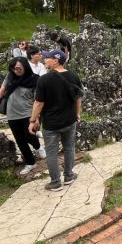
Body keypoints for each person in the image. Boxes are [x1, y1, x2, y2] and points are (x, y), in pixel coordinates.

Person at [28, 49, 83, 191]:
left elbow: (39, 103)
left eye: (47, 58)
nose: (45, 60)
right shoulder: (73, 76)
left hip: (51, 124)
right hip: (70, 120)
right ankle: (69, 175)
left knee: (51, 152)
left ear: (56, 60)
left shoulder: (44, 79)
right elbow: (78, 98)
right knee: (69, 147)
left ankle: (55, 182)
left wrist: (33, 121)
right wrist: (78, 114)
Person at [0, 58, 45, 175]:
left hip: (28, 113)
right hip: (12, 114)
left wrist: (36, 118)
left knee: (28, 135)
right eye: (13, 69)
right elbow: (3, 89)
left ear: (25, 66)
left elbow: (37, 100)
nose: (16, 71)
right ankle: (31, 162)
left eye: (18, 68)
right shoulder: (10, 76)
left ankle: (37, 147)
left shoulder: (35, 79)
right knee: (20, 140)